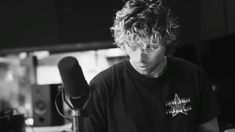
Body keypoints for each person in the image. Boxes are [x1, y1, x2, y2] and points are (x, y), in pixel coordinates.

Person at [83, 0, 220, 131]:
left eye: (149, 47)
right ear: (123, 43)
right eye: (133, 46)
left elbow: (210, 129)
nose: (140, 58)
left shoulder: (194, 76)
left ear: (166, 41)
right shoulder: (103, 87)